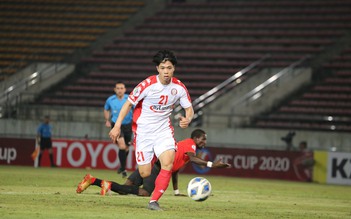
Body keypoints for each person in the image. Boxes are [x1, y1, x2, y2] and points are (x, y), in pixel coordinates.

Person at [109, 50, 194, 210]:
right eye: (163, 68)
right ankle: (155, 155)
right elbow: (128, 104)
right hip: (144, 132)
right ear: (157, 69)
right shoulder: (147, 85)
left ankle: (153, 201)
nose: (166, 71)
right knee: (145, 173)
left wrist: (187, 119)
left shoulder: (179, 87)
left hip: (164, 130)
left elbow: (189, 109)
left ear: (174, 68)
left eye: (169, 67)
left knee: (168, 164)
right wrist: (117, 125)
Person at [76, 129, 231, 197]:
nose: (204, 142)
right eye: (203, 139)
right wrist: (212, 165)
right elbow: (193, 159)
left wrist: (176, 192)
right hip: (154, 168)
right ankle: (97, 182)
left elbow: (174, 171)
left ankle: (94, 181)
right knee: (144, 193)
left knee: (125, 189)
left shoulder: (184, 148)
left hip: (149, 163)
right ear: (196, 138)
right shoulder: (190, 143)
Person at [104, 81, 133, 178]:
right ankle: (124, 169)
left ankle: (122, 166)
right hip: (116, 125)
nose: (120, 90)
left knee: (127, 148)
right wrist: (107, 120)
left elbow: (136, 108)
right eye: (118, 88)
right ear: (115, 90)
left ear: (124, 89)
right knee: (122, 145)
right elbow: (106, 109)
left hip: (128, 125)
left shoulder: (129, 99)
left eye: (121, 88)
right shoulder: (110, 100)